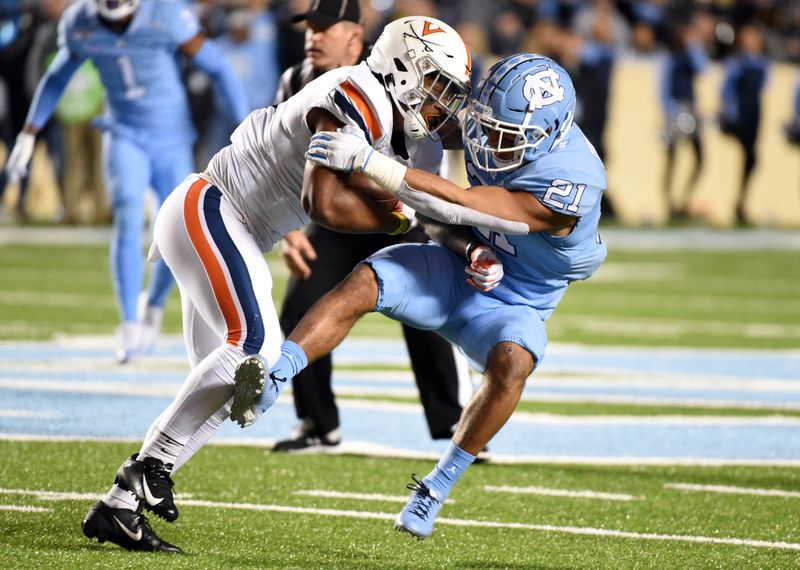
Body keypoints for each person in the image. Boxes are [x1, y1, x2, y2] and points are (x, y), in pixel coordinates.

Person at [80, 16, 475, 552]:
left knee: (232, 390)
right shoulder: (355, 91)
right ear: (404, 70)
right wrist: (399, 216)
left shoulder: (416, 140)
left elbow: (433, 205)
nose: (442, 102)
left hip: (237, 227)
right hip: (213, 207)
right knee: (254, 350)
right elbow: (324, 204)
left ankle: (119, 507)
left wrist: (471, 237)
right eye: (437, 85)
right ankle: (146, 467)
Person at [231, 53, 608, 540]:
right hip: (460, 257)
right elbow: (438, 190)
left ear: (547, 136)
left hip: (520, 298)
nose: (489, 142)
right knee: (365, 280)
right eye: (488, 127)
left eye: (507, 137)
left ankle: (435, 486)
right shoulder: (490, 117)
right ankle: (273, 377)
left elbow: (466, 202)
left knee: (513, 362)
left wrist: (370, 161)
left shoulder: (571, 184)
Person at [3, 0, 250, 362]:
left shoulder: (164, 13)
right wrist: (29, 131)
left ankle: (152, 304)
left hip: (171, 138)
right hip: (123, 133)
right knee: (127, 212)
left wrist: (244, 127)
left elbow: (217, 68)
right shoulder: (82, 21)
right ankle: (129, 323)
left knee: (178, 233)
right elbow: (57, 76)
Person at [275, 0, 468, 452]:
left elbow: (450, 132)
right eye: (311, 26)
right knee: (301, 307)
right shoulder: (300, 82)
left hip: (399, 212)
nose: (314, 35)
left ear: (356, 37)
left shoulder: (403, 90)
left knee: (431, 314)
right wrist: (286, 231)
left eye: (326, 26)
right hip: (345, 217)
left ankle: (456, 421)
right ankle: (318, 423)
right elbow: (289, 172)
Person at [718, 23, 769, 225]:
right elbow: (727, 87)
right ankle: (738, 203)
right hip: (740, 116)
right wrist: (728, 110)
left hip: (754, 113)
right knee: (749, 155)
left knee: (751, 158)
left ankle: (742, 201)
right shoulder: (738, 62)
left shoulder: (761, 63)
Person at [658, 18, 708, 221]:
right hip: (675, 110)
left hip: (690, 109)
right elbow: (662, 89)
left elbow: (703, 69)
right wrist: (669, 112)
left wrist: (694, 46)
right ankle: (669, 203)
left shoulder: (689, 56)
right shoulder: (668, 59)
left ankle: (684, 199)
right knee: (672, 159)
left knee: (700, 158)